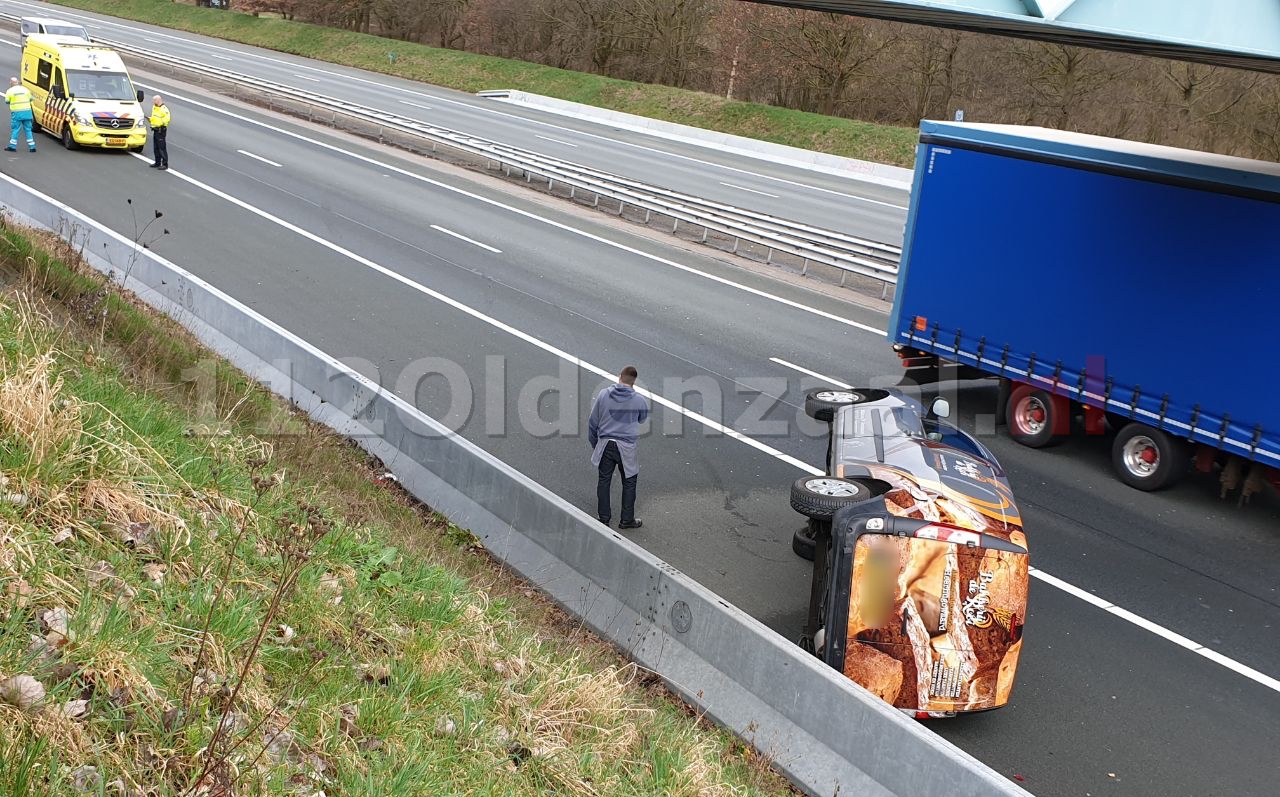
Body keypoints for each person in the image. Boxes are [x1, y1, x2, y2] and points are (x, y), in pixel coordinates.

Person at [588, 366, 649, 529]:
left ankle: (604, 517)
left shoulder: (603, 394)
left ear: (619, 376)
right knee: (629, 481)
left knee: (604, 480)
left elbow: (593, 423)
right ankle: (626, 519)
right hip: (626, 447)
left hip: (606, 443)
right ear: (634, 381)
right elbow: (642, 418)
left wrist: (596, 445)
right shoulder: (639, 400)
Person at [5, 77, 36, 153]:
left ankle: (12, 146)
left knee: (15, 129)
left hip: (17, 113)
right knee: (28, 129)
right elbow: (31, 98)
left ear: (11, 83)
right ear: (18, 82)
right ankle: (32, 147)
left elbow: (7, 101)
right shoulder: (25, 89)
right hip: (27, 112)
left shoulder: (10, 91)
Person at [148, 94, 170, 170]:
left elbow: (166, 120)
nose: (153, 102)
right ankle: (157, 162)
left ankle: (165, 164)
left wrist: (159, 124)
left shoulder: (164, 109)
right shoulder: (155, 108)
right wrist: (150, 119)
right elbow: (155, 118)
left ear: (158, 100)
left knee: (162, 147)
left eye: (154, 100)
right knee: (156, 147)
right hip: (155, 129)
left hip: (161, 130)